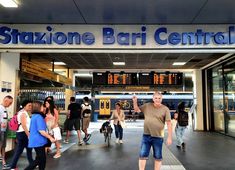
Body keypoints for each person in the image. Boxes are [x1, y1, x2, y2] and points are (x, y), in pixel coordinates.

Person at [132, 92, 172, 170]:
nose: (157, 100)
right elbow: (137, 110)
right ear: (153, 98)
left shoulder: (165, 109)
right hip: (146, 135)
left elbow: (169, 123)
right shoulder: (147, 106)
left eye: (159, 98)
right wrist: (134, 101)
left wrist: (170, 137)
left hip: (158, 136)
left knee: (158, 157)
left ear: (161, 99)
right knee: (142, 155)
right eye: (156, 98)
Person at [24, 101, 55, 170]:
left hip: (37, 140)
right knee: (40, 159)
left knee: (41, 159)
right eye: (42, 106)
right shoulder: (38, 117)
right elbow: (41, 131)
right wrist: (50, 137)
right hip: (38, 141)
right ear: (38, 107)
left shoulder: (35, 116)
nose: (43, 108)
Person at [10, 100, 34, 169]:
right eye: (29, 105)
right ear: (24, 106)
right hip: (23, 134)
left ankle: (32, 164)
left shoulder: (23, 112)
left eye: (31, 105)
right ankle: (13, 166)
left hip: (22, 134)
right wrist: (29, 135)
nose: (30, 107)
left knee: (27, 150)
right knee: (20, 151)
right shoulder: (23, 113)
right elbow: (24, 125)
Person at [0, 95, 13, 169]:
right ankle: (3, 161)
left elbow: (4, 119)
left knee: (3, 145)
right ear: (5, 101)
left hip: (3, 130)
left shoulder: (4, 109)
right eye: (10, 103)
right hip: (1, 130)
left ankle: (3, 161)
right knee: (1, 145)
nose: (10, 104)